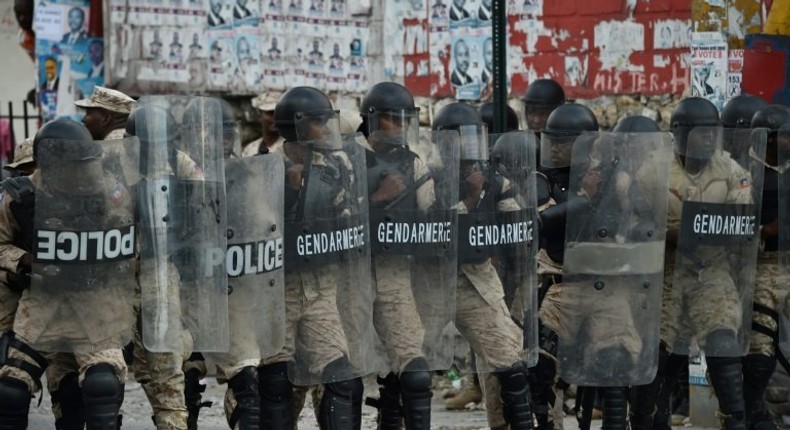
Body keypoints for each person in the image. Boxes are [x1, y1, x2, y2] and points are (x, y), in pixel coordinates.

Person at [0, 119, 135, 430]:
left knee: (102, 386)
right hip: (43, 307)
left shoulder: (108, 190)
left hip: (95, 308)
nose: (81, 172)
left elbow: (132, 239)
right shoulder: (20, 197)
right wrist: (23, 261)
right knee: (10, 391)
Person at [633, 97, 758, 430]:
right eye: (701, 132)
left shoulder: (732, 170)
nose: (709, 139)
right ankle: (649, 421)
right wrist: (669, 234)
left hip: (712, 271)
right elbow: (634, 222)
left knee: (723, 347)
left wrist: (704, 231)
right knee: (659, 360)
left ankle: (735, 421)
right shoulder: (651, 169)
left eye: (712, 132)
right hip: (665, 274)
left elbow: (741, 220)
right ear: (680, 133)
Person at [262, 86, 371, 429]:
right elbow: (254, 230)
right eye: (319, 122)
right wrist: (288, 193)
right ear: (296, 126)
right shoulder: (264, 166)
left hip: (322, 290)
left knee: (342, 379)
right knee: (276, 384)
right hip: (277, 292)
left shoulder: (334, 165)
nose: (326, 129)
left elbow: (349, 214)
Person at [432, 102, 534, 430]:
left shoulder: (489, 176)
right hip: (426, 283)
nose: (466, 147)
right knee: (407, 372)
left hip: (475, 280)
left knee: (509, 361)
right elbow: (439, 230)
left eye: (472, 138)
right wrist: (472, 199)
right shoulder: (428, 177)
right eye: (460, 139)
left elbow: (516, 221)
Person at [358, 82, 443, 429]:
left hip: (394, 272)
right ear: (374, 120)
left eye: (405, 119)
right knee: (337, 377)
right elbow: (332, 218)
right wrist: (378, 199)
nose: (400, 126)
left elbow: (432, 214)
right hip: (350, 274)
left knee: (414, 371)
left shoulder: (413, 162)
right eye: (393, 119)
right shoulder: (349, 157)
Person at [742, 105, 790, 430]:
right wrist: (764, 232)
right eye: (786, 135)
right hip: (760, 268)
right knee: (760, 355)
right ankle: (751, 415)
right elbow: (725, 227)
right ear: (770, 139)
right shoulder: (743, 174)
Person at [244, 92, 285, 156]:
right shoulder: (250, 150)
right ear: (259, 116)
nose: (275, 118)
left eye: (278, 113)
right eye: (270, 113)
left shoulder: (288, 147)